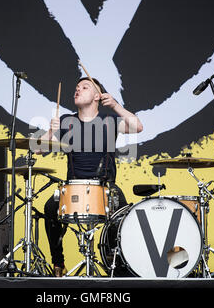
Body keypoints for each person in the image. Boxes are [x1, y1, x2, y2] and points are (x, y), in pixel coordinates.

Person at [41, 77, 143, 277]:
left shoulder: (109, 121)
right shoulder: (66, 122)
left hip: (105, 187)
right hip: (73, 187)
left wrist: (115, 105)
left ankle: (118, 267)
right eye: (77, 87)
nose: (78, 90)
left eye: (85, 87)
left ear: (97, 96)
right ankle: (58, 262)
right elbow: (38, 149)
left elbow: (138, 127)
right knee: (50, 207)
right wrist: (51, 131)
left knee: (123, 215)